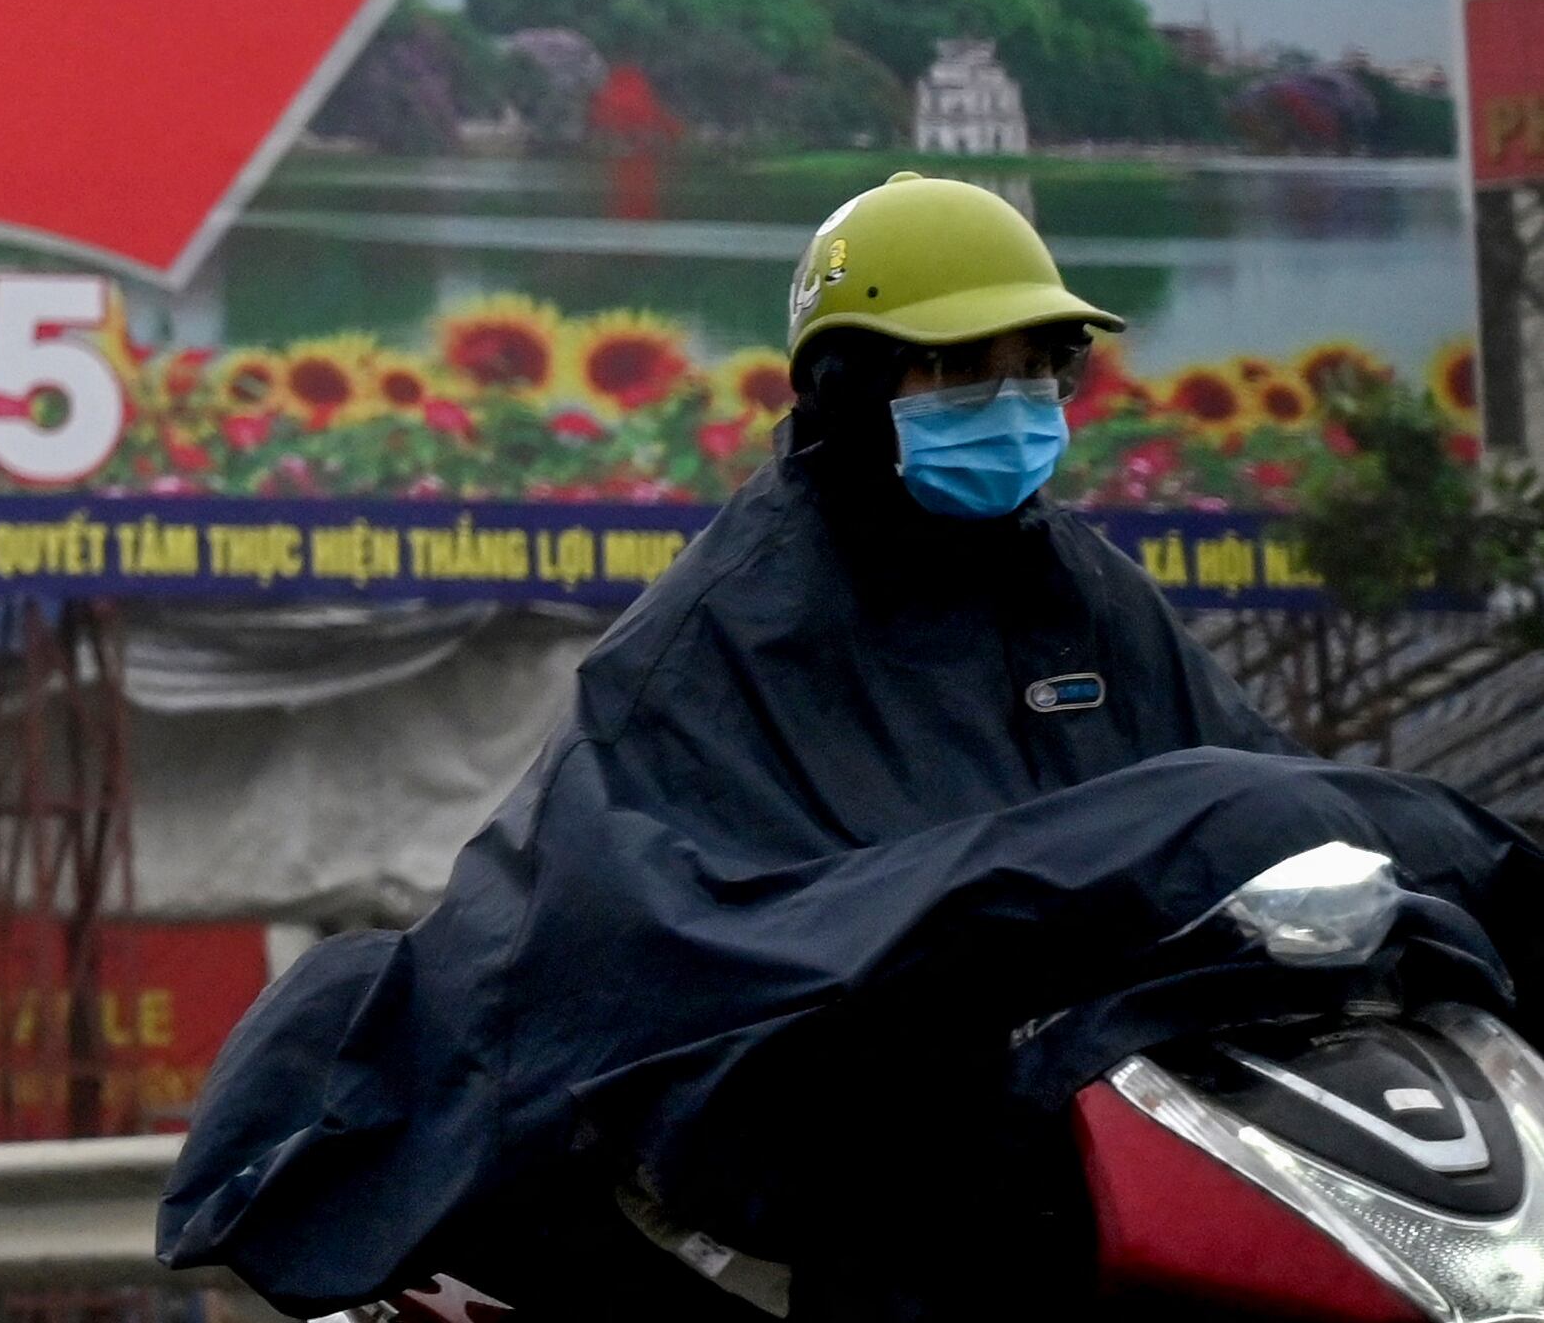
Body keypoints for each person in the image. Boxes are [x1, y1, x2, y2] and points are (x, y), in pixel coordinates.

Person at [161, 174, 1540, 1320]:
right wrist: (930, 945)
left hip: (1138, 1114)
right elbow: (650, 933)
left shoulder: (1077, 586)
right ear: (851, 384)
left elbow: (1259, 799)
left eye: (1037, 367)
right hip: (863, 1160)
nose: (1013, 401)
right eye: (960, 368)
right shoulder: (727, 626)